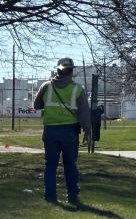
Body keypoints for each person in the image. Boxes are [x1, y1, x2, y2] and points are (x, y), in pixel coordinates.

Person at [33, 57, 94, 206]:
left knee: (50, 165)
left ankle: (50, 197)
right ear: (71, 71)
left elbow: (36, 105)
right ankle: (72, 197)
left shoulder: (46, 86)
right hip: (70, 132)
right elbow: (85, 115)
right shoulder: (77, 89)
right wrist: (88, 133)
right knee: (70, 165)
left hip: (50, 131)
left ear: (57, 70)